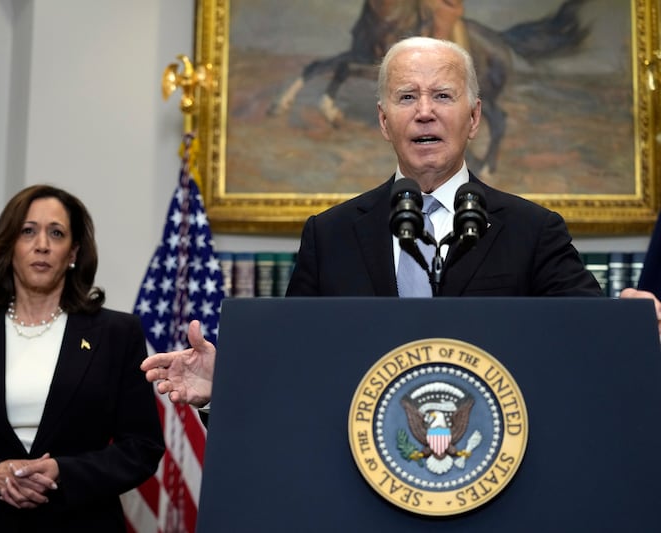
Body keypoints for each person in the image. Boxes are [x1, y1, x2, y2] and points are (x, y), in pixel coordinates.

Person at [142, 36, 661, 406]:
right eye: (407, 96)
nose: (425, 112)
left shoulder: (533, 230)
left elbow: (588, 349)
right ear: (384, 120)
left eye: (442, 95)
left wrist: (633, 326)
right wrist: (227, 383)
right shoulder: (330, 235)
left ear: (474, 117)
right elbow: (296, 369)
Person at [0, 185, 165, 532]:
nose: (41, 244)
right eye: (28, 231)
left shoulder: (117, 334)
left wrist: (64, 471)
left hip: (82, 523)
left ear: (72, 252)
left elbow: (142, 448)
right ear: (10, 246)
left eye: (56, 233)